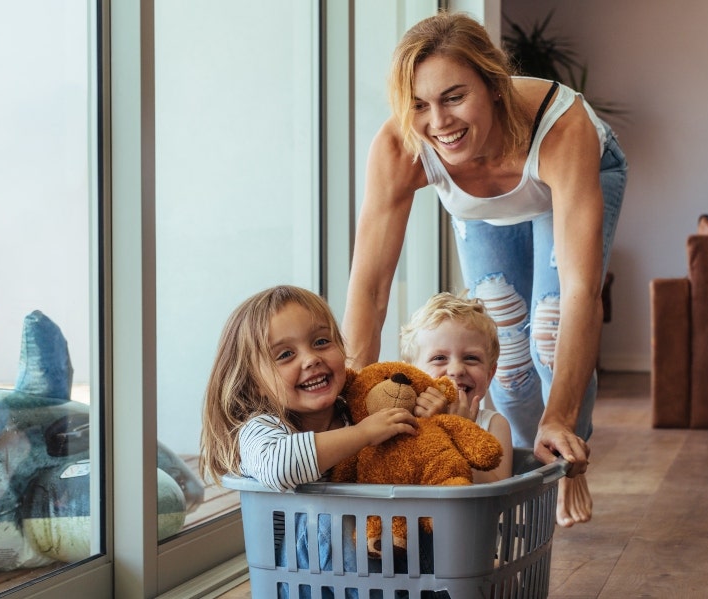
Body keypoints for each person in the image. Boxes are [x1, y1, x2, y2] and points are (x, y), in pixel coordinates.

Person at [342, 11, 629, 527]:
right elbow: (370, 287)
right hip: (487, 208)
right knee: (509, 358)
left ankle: (566, 455)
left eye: (454, 97)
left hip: (571, 175)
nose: (439, 122)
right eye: (419, 105)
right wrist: (351, 405)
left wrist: (561, 416)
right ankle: (521, 471)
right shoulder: (401, 145)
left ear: (494, 85)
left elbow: (582, 290)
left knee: (548, 326)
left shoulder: (563, 126)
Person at [200, 284, 419, 492]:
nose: (311, 359)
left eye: (321, 341)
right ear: (254, 385)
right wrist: (362, 434)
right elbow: (278, 468)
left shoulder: (354, 412)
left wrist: (428, 411)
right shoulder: (261, 429)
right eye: (285, 354)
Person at [399, 291, 514, 483]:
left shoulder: (494, 425)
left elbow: (497, 491)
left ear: (490, 374)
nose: (456, 370)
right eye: (439, 358)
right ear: (412, 372)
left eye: (471, 358)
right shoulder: (402, 419)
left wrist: (459, 431)